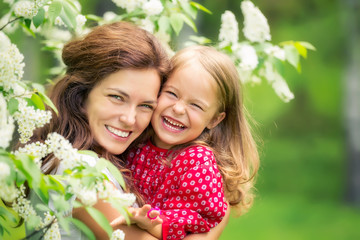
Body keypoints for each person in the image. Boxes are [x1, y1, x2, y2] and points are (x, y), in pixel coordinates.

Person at [27, 22, 229, 240]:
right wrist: (219, 220)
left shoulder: (108, 158)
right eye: (117, 97)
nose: (129, 119)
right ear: (81, 95)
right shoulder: (80, 174)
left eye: (145, 105)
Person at [120, 45, 260, 239]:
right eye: (172, 93)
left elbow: (195, 221)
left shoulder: (197, 161)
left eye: (195, 105)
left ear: (214, 120)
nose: (178, 109)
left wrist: (152, 223)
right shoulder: (138, 135)